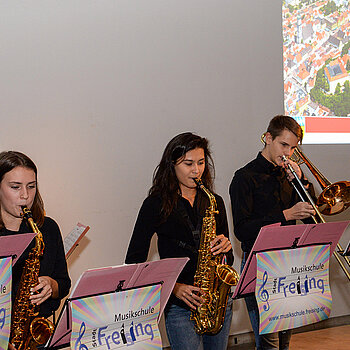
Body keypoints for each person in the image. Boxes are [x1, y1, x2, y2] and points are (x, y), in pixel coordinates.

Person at [125, 132, 234, 350]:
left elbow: (228, 260)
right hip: (180, 306)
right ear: (172, 165)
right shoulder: (155, 204)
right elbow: (134, 261)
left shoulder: (214, 201)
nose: (196, 170)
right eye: (188, 163)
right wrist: (174, 288)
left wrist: (225, 248)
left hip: (217, 301)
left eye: (201, 162)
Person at [229, 115, 316, 350]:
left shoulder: (289, 175)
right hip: (259, 265)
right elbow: (242, 230)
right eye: (283, 145)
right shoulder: (244, 177)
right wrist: (285, 215)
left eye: (293, 148)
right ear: (268, 138)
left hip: (288, 263)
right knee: (268, 343)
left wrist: (303, 182)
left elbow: (312, 216)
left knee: (284, 342)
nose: (287, 153)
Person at [0, 151, 71, 350]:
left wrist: (51, 285)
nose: (25, 195)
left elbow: (64, 283)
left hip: (36, 335)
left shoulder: (47, 228)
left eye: (31, 186)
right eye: (15, 187)